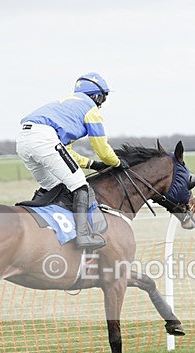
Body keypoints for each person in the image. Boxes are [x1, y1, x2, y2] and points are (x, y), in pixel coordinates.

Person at [16, 72, 128, 249]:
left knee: (54, 186)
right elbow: (102, 148)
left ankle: (35, 225)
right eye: (104, 99)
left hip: (23, 140)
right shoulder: (90, 109)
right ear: (97, 96)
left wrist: (92, 164)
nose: (102, 104)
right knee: (80, 185)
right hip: (44, 139)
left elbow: (65, 151)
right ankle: (83, 236)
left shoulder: (68, 106)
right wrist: (117, 163)